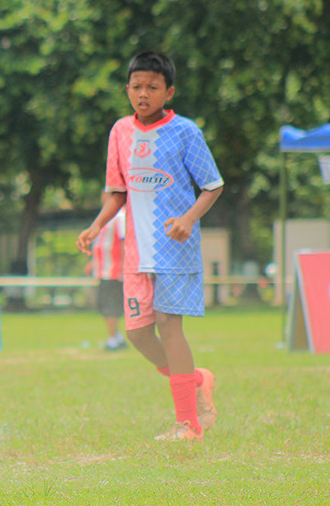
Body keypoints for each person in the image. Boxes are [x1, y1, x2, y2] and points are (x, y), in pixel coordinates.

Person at [76, 50, 222, 442]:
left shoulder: (186, 131)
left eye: (152, 87)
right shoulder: (120, 132)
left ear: (168, 91)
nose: (144, 94)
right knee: (138, 334)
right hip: (136, 254)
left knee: (169, 328)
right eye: (137, 87)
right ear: (127, 90)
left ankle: (187, 424)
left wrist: (188, 219)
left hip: (175, 250)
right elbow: (117, 192)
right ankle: (196, 381)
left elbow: (213, 185)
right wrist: (95, 228)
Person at [84, 198, 127, 351]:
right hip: (103, 270)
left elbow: (123, 242)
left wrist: (124, 266)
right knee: (106, 305)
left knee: (111, 305)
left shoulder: (121, 217)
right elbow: (102, 243)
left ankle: (113, 339)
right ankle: (117, 336)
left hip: (114, 270)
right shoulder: (105, 218)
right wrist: (93, 262)